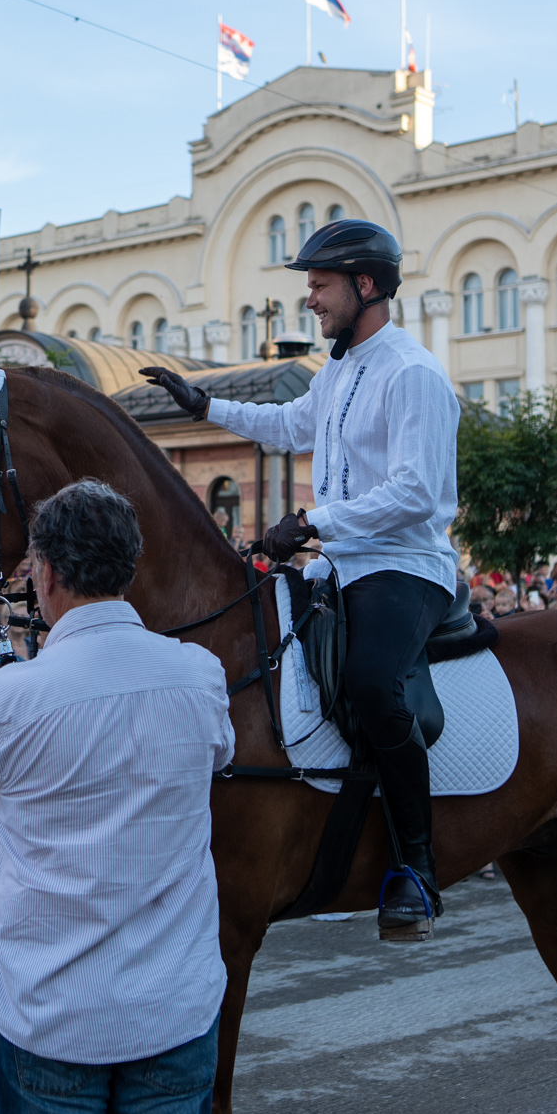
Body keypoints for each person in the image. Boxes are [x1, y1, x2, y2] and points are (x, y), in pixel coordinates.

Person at [0, 479, 234, 1114]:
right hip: (172, 1004)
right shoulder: (198, 673)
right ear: (128, 568)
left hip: (50, 1014)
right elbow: (220, 754)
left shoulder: (7, 693)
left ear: (47, 573)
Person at [139, 217, 459, 936]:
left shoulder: (413, 373)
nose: (309, 299)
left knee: (374, 682)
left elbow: (418, 493)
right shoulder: (343, 369)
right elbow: (289, 424)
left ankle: (418, 867)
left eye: (319, 285)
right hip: (344, 563)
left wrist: (313, 522)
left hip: (405, 565)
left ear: (365, 284)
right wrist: (203, 404)